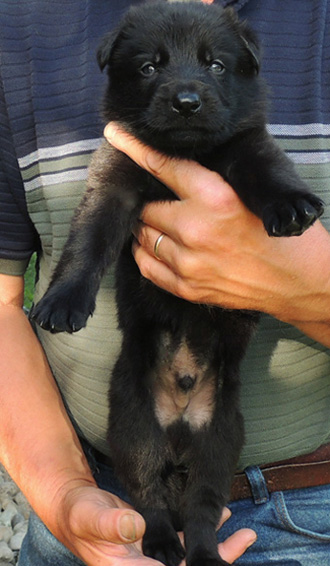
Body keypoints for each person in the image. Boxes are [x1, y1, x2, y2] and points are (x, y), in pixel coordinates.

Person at [0, 1, 329, 566]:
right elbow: (100, 214)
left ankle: (200, 535)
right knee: (135, 402)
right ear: (118, 71)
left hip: (304, 512)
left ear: (247, 67)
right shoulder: (21, 20)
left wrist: (313, 280)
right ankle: (153, 519)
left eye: (215, 67)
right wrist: (62, 493)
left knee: (217, 424)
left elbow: (258, 165)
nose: (185, 89)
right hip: (97, 502)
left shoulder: (246, 135)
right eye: (151, 68)